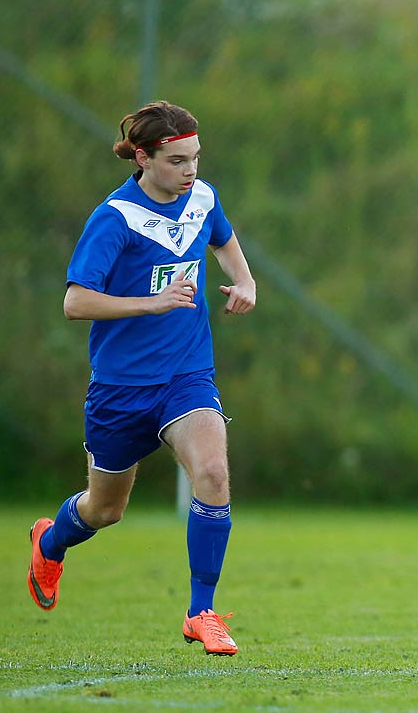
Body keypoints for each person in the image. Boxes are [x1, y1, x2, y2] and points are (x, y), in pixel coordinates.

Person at [26, 101, 257, 655]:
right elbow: (75, 302)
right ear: (143, 158)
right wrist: (151, 305)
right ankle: (50, 541)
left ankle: (201, 612)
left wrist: (245, 282)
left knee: (215, 474)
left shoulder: (201, 197)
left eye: (196, 158)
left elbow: (221, 238)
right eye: (177, 161)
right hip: (121, 388)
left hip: (186, 374)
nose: (191, 171)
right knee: (105, 510)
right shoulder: (115, 218)